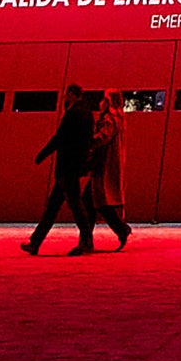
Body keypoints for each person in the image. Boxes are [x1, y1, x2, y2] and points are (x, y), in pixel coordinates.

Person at [24, 87, 110, 256]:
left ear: (73, 95)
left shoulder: (74, 114)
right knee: (55, 206)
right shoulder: (86, 114)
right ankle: (35, 242)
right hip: (73, 166)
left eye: (68, 94)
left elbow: (60, 138)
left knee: (73, 206)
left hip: (67, 167)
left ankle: (86, 242)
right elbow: (85, 141)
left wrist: (42, 155)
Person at [88, 87, 131, 251]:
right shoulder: (120, 119)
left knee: (97, 202)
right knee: (93, 202)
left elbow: (102, 138)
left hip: (102, 165)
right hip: (107, 164)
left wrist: (87, 142)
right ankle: (87, 238)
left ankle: (120, 229)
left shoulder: (109, 119)